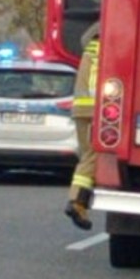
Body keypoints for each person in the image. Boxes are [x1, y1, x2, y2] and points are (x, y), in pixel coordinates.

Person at [63, 23, 100, 230]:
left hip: (81, 111)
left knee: (88, 156)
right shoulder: (108, 48)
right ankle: (77, 201)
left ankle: (80, 202)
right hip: (95, 111)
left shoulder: (90, 50)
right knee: (92, 157)